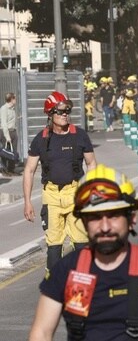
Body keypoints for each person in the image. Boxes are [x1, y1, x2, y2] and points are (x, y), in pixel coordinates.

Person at [28, 164, 138, 341]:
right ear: (83, 221)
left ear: (132, 219)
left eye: (113, 216)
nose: (104, 227)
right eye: (95, 217)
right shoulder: (65, 271)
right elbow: (41, 332)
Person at [23, 91, 97, 272]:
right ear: (50, 114)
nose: (65, 115)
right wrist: (27, 202)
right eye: (61, 111)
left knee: (81, 243)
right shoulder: (41, 139)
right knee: (54, 245)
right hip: (52, 196)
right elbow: (29, 170)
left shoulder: (79, 135)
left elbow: (91, 163)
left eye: (67, 111)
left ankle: (83, 286)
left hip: (75, 194)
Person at [0, 92, 19, 176]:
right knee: (5, 151)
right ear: (11, 99)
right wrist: (7, 137)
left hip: (13, 131)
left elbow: (10, 120)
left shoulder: (12, 108)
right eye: (14, 98)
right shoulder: (4, 109)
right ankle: (4, 170)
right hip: (5, 132)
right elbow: (4, 124)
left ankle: (11, 169)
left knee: (13, 151)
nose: (16, 99)